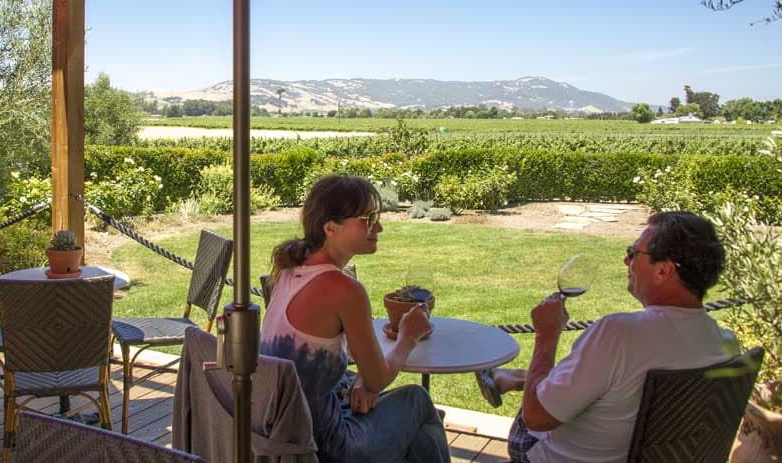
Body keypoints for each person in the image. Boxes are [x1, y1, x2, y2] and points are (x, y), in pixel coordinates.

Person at [476, 211, 735, 463]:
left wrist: (546, 334)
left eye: (633, 254)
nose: (626, 261)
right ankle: (518, 378)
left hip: (557, 456)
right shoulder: (726, 345)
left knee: (534, 411)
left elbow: (537, 418)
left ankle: (520, 378)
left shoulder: (619, 334)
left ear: (663, 271)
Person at [260, 175, 450, 463]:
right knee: (418, 402)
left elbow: (329, 371)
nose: (379, 227)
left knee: (402, 418)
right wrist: (408, 336)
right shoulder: (344, 289)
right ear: (331, 228)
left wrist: (363, 381)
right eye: (368, 218)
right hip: (324, 446)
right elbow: (380, 377)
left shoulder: (289, 270)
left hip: (280, 432)